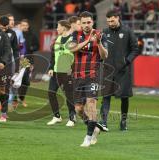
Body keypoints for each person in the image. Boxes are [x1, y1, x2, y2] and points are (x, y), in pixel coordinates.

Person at [70, 11, 108, 147]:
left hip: (93, 76)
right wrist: (87, 41)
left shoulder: (100, 35)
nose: (86, 25)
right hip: (78, 76)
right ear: (81, 23)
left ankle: (88, 137)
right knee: (79, 109)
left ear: (93, 22)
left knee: (91, 104)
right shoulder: (76, 34)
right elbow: (72, 49)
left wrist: (98, 43)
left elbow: (104, 56)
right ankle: (95, 127)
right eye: (84, 23)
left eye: (89, 22)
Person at [99, 10, 139, 131]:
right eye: (108, 21)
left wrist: (127, 61)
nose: (110, 23)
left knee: (124, 97)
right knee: (106, 96)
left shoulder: (127, 31)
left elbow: (135, 49)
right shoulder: (104, 33)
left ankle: (123, 121)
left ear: (118, 18)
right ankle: (104, 122)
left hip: (123, 71)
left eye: (112, 20)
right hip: (107, 70)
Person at [47, 20, 76, 127]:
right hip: (56, 71)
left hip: (67, 72)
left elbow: (76, 56)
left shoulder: (73, 39)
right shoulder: (58, 39)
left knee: (69, 95)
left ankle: (72, 118)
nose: (57, 28)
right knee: (51, 92)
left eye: (58, 27)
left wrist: (73, 68)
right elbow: (54, 55)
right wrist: (51, 67)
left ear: (64, 27)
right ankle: (56, 116)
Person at [12, 19, 39, 107]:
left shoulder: (32, 35)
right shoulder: (17, 34)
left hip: (26, 60)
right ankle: (14, 100)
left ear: (28, 26)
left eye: (25, 25)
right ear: (20, 25)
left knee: (26, 81)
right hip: (17, 59)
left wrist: (32, 48)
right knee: (15, 79)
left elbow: (37, 46)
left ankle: (21, 98)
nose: (24, 27)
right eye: (22, 25)